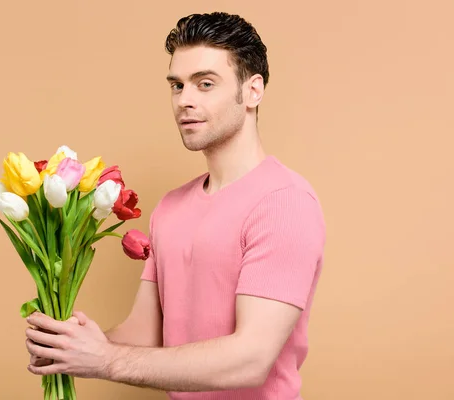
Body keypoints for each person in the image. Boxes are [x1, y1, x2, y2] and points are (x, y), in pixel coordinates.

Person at [24, 11, 326, 400]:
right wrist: (71, 346)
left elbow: (251, 358)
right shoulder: (171, 207)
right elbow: (144, 334)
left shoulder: (284, 204)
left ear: (253, 91)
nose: (185, 100)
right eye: (177, 85)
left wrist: (104, 359)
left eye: (205, 84)